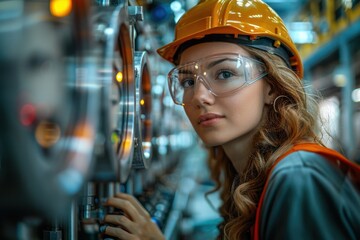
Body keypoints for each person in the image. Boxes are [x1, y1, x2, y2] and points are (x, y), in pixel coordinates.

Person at [103, 0, 360, 239]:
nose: (199, 97)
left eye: (225, 73)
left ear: (271, 87)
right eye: (188, 81)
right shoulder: (251, 177)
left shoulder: (298, 176)